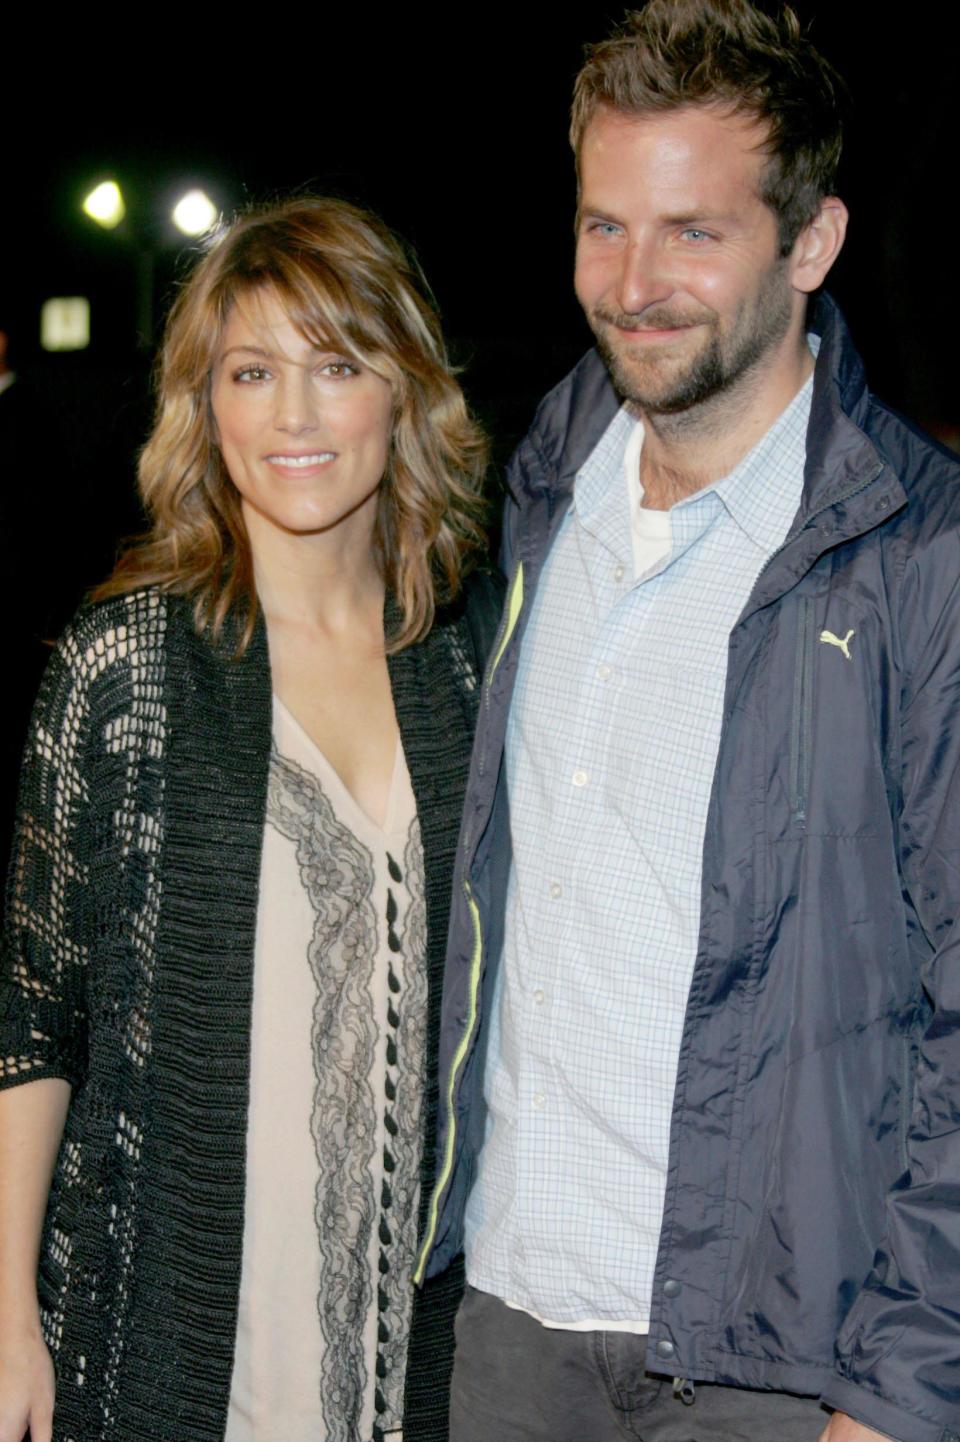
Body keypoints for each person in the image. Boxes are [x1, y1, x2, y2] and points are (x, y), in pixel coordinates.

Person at [414, 4, 960, 1441]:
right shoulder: (536, 495)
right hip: (512, 1326)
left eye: (693, 234)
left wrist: (905, 1390)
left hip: (775, 1370)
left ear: (813, 243)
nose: (634, 284)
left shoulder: (921, 560)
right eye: (605, 226)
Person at [0, 196, 501, 1442]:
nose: (292, 414)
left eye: (336, 366)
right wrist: (7, 1303)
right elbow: (32, 1015)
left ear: (405, 392)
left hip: (411, 1354)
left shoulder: (463, 671)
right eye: (252, 370)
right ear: (204, 403)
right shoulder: (127, 670)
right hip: (175, 1342)